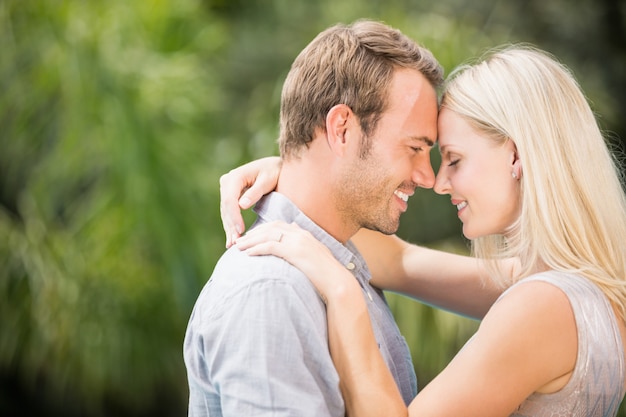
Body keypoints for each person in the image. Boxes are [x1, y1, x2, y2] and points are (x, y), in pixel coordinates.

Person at [229, 46, 626, 416]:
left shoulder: (543, 306)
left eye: (454, 159)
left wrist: (343, 294)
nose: (439, 182)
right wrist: (300, 171)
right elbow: (400, 261)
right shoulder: (583, 289)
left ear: (516, 155)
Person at [183, 19, 494, 417]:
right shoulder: (271, 291)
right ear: (342, 129)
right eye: (415, 148)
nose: (428, 176)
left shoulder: (341, 266)